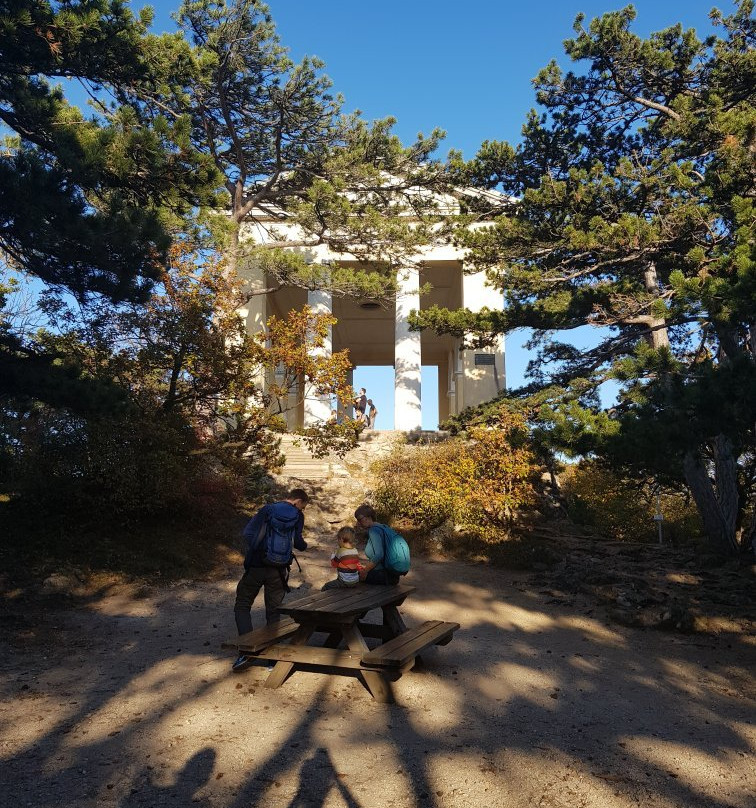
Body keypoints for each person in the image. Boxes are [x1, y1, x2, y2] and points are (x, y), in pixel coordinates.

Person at [232, 489, 309, 672]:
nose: (302, 509)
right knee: (273, 611)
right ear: (298, 500)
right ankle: (272, 659)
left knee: (242, 605)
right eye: (303, 506)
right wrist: (303, 545)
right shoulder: (298, 516)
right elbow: (299, 543)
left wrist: (257, 550)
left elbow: (248, 533)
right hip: (279, 570)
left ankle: (247, 652)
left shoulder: (268, 509)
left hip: (257, 566)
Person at [354, 503, 402, 585]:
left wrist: (365, 571)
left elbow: (379, 555)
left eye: (359, 519)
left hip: (383, 575)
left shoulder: (373, 531)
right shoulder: (383, 527)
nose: (358, 523)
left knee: (349, 577)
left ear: (368, 517)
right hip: (392, 575)